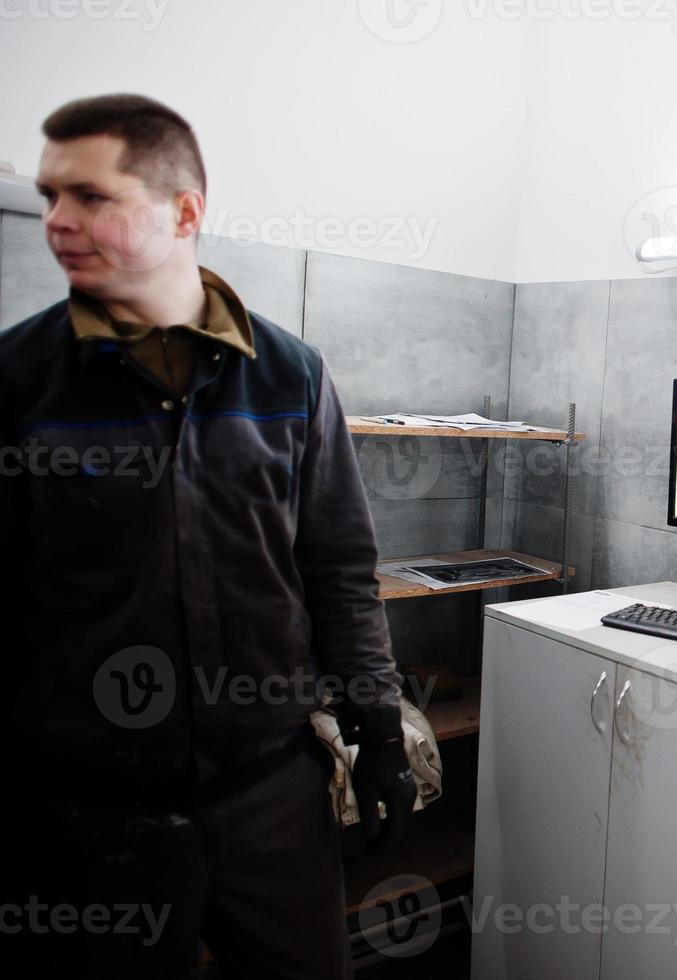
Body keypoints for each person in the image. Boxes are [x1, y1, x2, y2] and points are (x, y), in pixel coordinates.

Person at [0, 93, 416, 979]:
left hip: (270, 798)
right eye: (49, 198)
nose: (59, 222)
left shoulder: (290, 373)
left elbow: (338, 566)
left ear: (184, 211)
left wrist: (375, 729)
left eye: (91, 197)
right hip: (88, 819)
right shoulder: (19, 380)